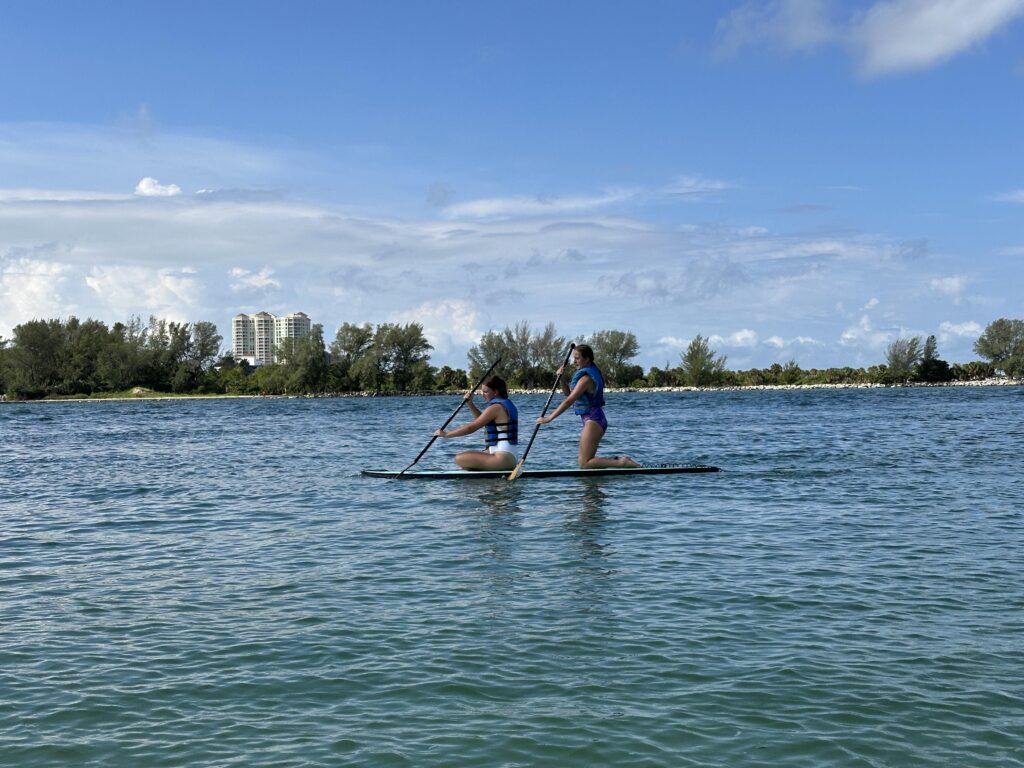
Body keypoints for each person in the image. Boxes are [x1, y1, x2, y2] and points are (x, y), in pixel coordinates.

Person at [536, 344, 639, 469]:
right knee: (586, 462)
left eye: (577, 358)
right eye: (574, 358)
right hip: (592, 419)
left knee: (585, 463)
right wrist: (561, 379)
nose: (574, 362)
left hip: (594, 420)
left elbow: (569, 401)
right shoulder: (584, 377)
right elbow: (569, 394)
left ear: (587, 359)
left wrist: (549, 418)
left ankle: (622, 462)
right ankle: (613, 465)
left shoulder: (586, 379)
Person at [434, 375, 519, 471]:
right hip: (509, 457)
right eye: (482, 391)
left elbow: (471, 428)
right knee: (470, 460)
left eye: (486, 392)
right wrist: (470, 403)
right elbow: (481, 420)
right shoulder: (507, 404)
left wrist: (446, 434)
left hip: (502, 458)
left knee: (459, 459)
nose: (483, 394)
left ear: (495, 392)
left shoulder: (496, 407)